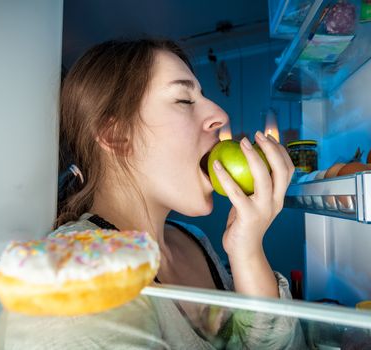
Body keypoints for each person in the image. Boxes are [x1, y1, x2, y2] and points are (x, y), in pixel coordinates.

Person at [52, 38, 305, 349]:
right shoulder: (75, 273)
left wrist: (248, 249)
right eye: (184, 100)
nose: (221, 115)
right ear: (117, 136)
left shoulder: (193, 240)